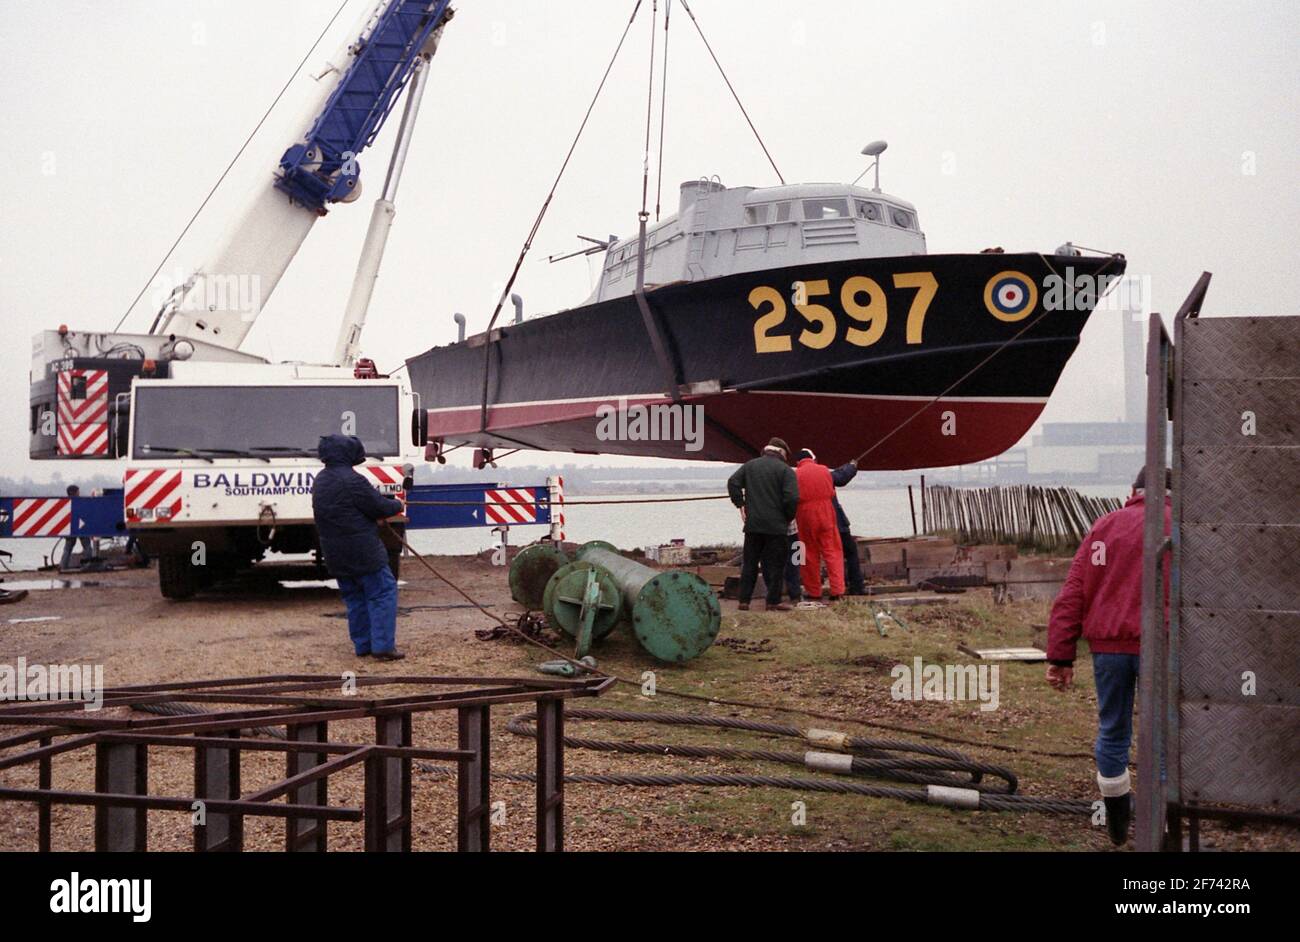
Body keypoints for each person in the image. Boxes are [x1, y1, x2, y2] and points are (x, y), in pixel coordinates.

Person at [1046, 466, 1171, 845]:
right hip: (1162, 647)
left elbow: (1072, 595)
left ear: (1131, 490)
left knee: (1113, 729)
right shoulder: (1178, 526)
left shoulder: (1104, 526)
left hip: (1108, 650)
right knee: (1161, 735)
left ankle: (1118, 820)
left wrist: (1061, 657)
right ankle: (1160, 826)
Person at [312, 434, 406, 660]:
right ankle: (383, 647)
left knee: (354, 598)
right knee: (382, 592)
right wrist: (398, 503)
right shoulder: (353, 480)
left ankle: (363, 646)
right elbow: (378, 507)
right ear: (347, 453)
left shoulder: (320, 480)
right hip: (362, 551)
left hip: (334, 552)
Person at [727, 437, 799, 612]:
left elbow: (733, 482)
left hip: (753, 526)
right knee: (775, 565)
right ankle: (772, 601)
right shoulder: (785, 470)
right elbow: (792, 498)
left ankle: (744, 601)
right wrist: (787, 517)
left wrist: (740, 504)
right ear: (782, 453)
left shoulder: (750, 466)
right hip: (776, 528)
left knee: (750, 563)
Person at [793, 449, 844, 602]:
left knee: (807, 553)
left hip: (804, 513)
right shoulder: (824, 470)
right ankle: (837, 590)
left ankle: (814, 591)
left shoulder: (795, 474)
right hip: (826, 511)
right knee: (833, 551)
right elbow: (832, 492)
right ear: (813, 458)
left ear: (798, 462)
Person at [830, 462, 867, 596]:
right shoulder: (823, 474)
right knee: (848, 553)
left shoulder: (797, 476)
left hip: (805, 524)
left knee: (803, 555)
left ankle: (799, 589)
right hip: (836, 524)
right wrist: (851, 466)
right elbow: (840, 477)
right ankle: (852, 586)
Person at [59, 485, 98, 571]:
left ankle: (63, 566)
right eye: (78, 491)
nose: (79, 493)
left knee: (67, 548)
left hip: (70, 529)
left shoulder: (66, 503)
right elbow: (86, 514)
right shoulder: (80, 501)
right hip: (81, 528)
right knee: (87, 547)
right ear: (74, 492)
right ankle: (89, 565)